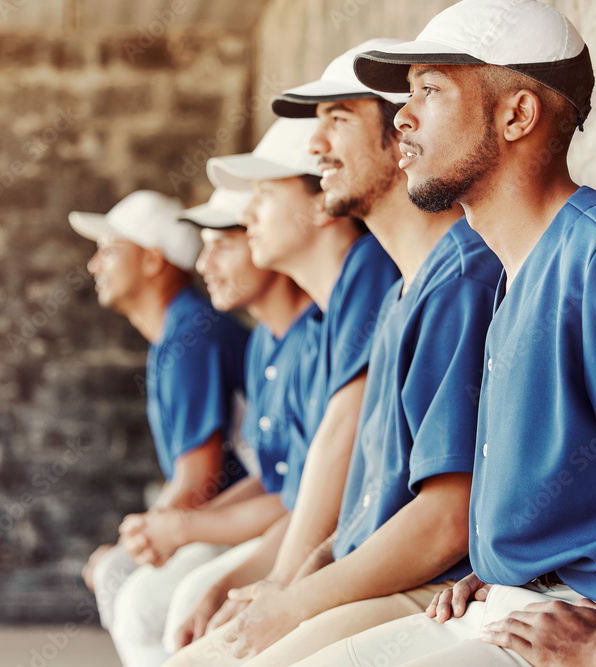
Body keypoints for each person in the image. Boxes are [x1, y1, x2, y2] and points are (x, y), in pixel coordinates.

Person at [295, 1, 596, 665]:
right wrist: (509, 565)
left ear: (517, 115)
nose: (403, 117)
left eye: (430, 91)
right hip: (527, 611)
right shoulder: (514, 271)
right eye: (408, 93)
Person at [164, 39, 502, 667]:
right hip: (376, 574)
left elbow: (446, 518)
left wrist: (295, 597)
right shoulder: (404, 287)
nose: (317, 146)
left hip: (437, 588)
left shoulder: (462, 277)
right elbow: (356, 501)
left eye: (339, 120)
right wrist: (292, 582)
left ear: (401, 136)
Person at [163, 116, 402, 665]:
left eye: (265, 194)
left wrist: (280, 588)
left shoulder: (366, 269)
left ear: (320, 202)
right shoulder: (327, 310)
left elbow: (339, 441)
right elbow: (298, 492)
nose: (247, 216)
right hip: (341, 555)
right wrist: (261, 580)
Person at [104, 186, 319, 667]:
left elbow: (202, 480)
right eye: (204, 245)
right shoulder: (265, 338)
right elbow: (277, 477)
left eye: (224, 242)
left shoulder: (197, 333)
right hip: (263, 518)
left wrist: (178, 529)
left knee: (146, 594)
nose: (206, 264)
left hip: (295, 532)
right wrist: (172, 529)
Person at [68, 190, 251, 666]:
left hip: (246, 520)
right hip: (230, 516)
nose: (94, 265)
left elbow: (198, 479)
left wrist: (142, 538)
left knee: (120, 580)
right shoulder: (178, 331)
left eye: (109, 249)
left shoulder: (193, 334)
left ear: (152, 261)